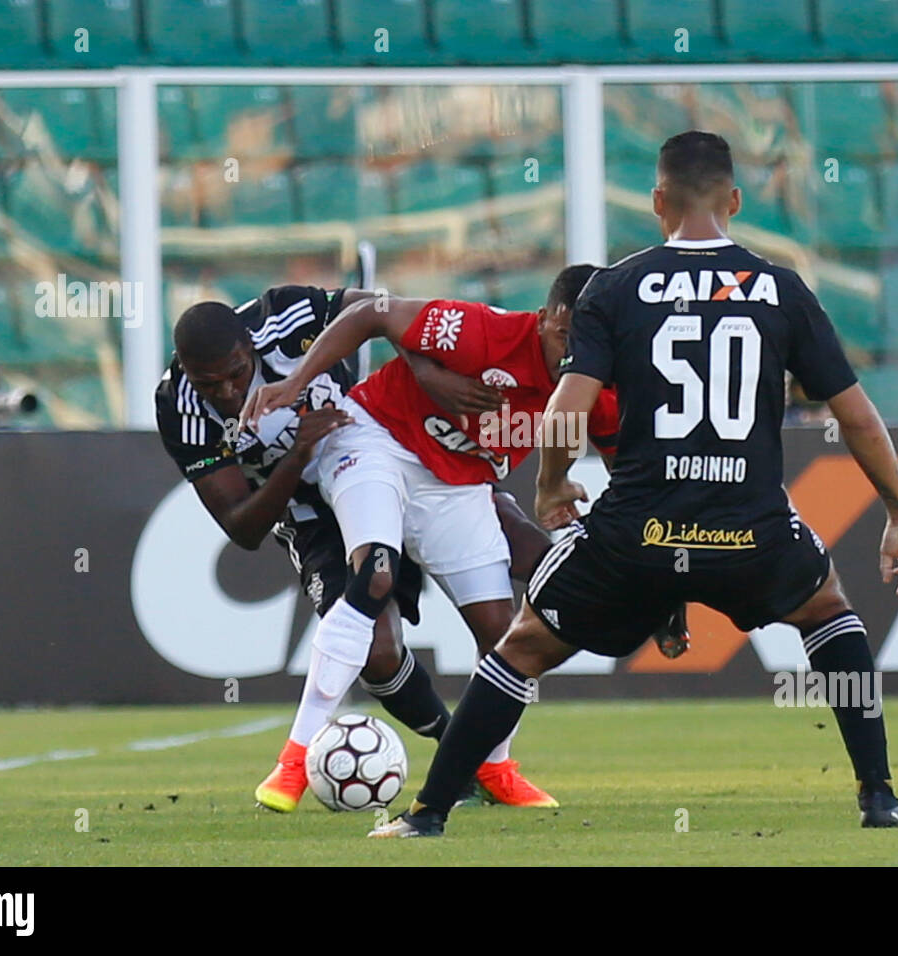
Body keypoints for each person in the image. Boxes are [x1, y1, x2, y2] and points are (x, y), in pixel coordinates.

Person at [370, 130, 898, 838]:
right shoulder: (781, 289)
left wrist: (550, 485)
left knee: (523, 647)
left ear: (658, 201)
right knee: (826, 611)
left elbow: (567, 408)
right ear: (733, 199)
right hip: (748, 525)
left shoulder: (615, 286)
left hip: (636, 530)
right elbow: (857, 417)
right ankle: (879, 797)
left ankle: (427, 815)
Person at [240, 266, 674, 810]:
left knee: (504, 631)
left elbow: (627, 471)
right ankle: (293, 762)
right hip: (378, 440)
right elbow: (373, 312)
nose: (575, 352)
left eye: (591, 339)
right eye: (567, 336)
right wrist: (296, 383)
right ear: (545, 319)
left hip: (460, 485)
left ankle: (495, 770)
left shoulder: (597, 390)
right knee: (374, 573)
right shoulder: (482, 331)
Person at [155, 284, 594, 812]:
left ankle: (492, 764)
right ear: (185, 369)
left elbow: (379, 311)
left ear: (250, 345)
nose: (227, 392)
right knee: (378, 644)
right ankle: (429, 754)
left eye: (236, 373)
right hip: (312, 500)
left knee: (514, 591)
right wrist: (297, 454)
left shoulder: (286, 315)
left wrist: (425, 370)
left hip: (408, 447)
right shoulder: (177, 406)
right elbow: (242, 527)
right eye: (210, 384)